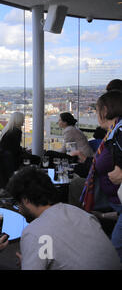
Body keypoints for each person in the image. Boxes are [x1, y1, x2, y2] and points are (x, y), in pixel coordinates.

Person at [6, 166, 120, 270]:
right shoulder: (81, 214)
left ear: (25, 200)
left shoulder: (34, 232)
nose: (19, 209)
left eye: (17, 203)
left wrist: (27, 263)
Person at [80, 90, 122, 261]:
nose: (96, 114)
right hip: (117, 205)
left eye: (97, 110)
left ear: (104, 111)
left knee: (115, 253)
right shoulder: (112, 132)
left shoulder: (119, 131)